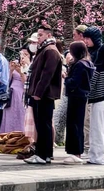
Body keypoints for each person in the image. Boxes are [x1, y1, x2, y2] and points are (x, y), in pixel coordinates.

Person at [24, 25, 62, 164]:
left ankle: (43, 154)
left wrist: (38, 92)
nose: (38, 38)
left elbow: (47, 74)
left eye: (40, 35)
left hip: (45, 94)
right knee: (40, 124)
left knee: (43, 124)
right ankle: (43, 153)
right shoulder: (44, 50)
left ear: (48, 35)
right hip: (38, 93)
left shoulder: (51, 50)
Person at [63, 41, 93, 164]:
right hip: (82, 96)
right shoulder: (88, 63)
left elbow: (74, 82)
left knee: (73, 124)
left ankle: (76, 152)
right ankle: (77, 151)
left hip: (76, 95)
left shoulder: (79, 65)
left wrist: (66, 78)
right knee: (77, 124)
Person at [1, 56, 28, 134]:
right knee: (9, 114)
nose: (23, 58)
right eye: (22, 55)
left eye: (25, 55)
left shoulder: (28, 66)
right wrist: (11, 70)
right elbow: (7, 81)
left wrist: (20, 72)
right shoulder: (16, 63)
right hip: (11, 93)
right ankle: (7, 134)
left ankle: (21, 135)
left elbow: (25, 82)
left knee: (20, 114)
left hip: (21, 93)